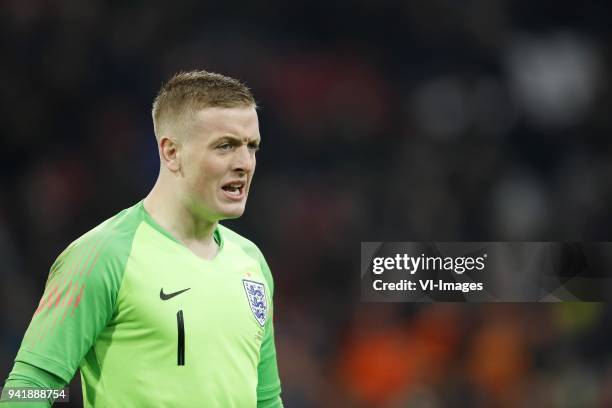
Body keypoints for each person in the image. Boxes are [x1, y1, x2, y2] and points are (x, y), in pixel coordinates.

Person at [1, 70, 283, 407]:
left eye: (252, 147)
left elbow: (266, 399)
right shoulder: (104, 255)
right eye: (225, 146)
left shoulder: (251, 262)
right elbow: (28, 387)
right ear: (171, 152)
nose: (244, 163)